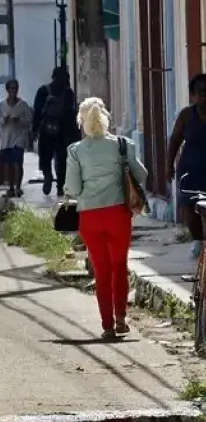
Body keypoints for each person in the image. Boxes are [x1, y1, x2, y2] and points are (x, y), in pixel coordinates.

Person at [64, 97, 148, 339]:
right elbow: (141, 174)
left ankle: (107, 325)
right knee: (119, 266)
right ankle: (121, 318)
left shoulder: (76, 150)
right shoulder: (122, 144)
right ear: (106, 117)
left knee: (101, 270)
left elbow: (73, 188)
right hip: (117, 214)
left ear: (81, 121)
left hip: (90, 217)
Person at [166, 73, 206, 261]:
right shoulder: (186, 115)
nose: (204, 95)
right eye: (200, 92)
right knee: (190, 209)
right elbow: (175, 140)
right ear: (193, 95)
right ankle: (197, 242)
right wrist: (169, 166)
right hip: (190, 171)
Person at [32, 67, 79, 197]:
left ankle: (47, 175)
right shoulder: (68, 92)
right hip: (62, 130)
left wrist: (34, 129)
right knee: (62, 158)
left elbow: (37, 112)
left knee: (45, 156)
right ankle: (60, 185)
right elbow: (71, 113)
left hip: (46, 129)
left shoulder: (43, 91)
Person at [0, 79, 33, 197]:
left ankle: (18, 187)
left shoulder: (23, 105)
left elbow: (29, 119)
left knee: (17, 163)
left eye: (15, 88)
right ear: (7, 90)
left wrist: (19, 120)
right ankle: (11, 187)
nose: (14, 90)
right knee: (9, 165)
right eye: (11, 88)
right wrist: (4, 119)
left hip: (19, 138)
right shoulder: (1, 105)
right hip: (6, 139)